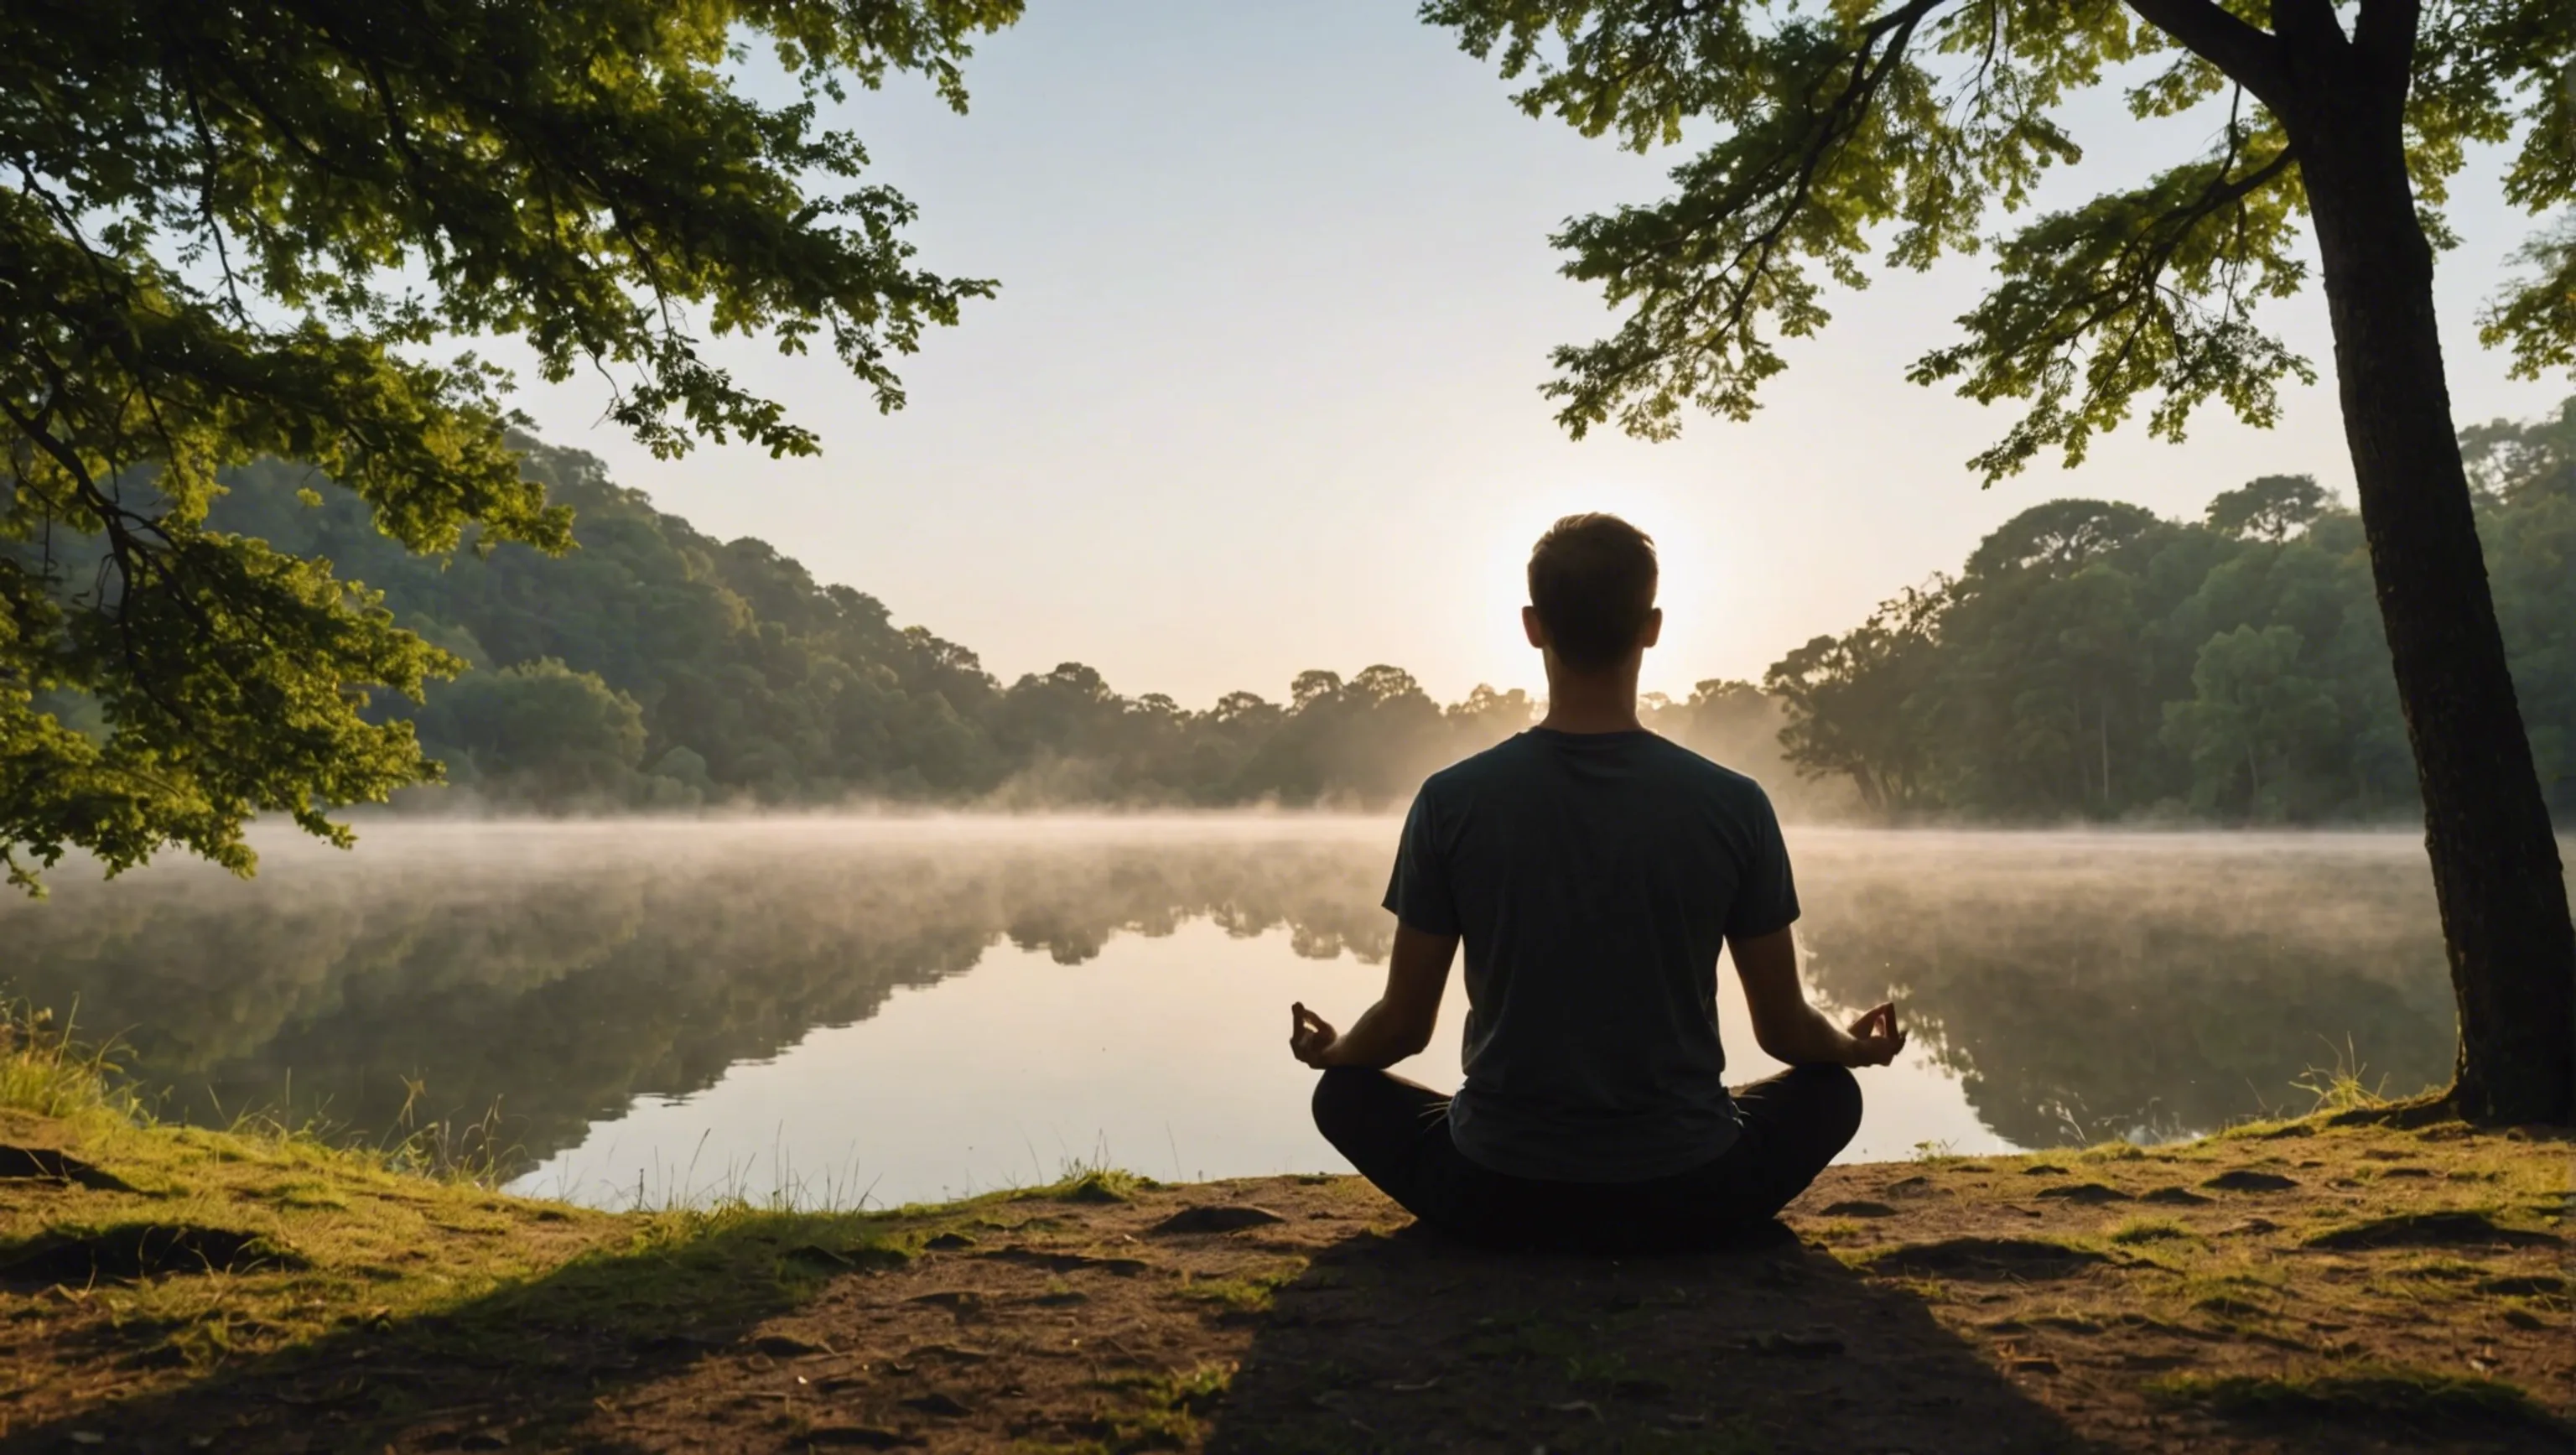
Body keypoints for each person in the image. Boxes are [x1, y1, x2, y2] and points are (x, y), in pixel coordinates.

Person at [1288, 512, 1904, 1254]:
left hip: (1496, 1190)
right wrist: (1855, 1046)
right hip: (1691, 1190)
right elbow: (1784, 1031)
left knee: (1344, 1095)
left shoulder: (1450, 802)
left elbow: (1402, 1027)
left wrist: (1333, 1053)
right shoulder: (1735, 804)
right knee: (1832, 1093)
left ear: (1532, 625)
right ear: (1651, 626)